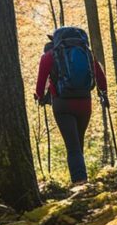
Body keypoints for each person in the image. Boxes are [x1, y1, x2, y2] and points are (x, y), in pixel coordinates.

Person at [34, 28, 108, 185]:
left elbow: (41, 82)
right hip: (84, 102)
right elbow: (100, 76)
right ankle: (83, 180)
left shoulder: (50, 56)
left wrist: (39, 96)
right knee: (77, 142)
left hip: (62, 104)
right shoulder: (86, 53)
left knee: (72, 146)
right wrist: (103, 93)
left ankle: (80, 183)